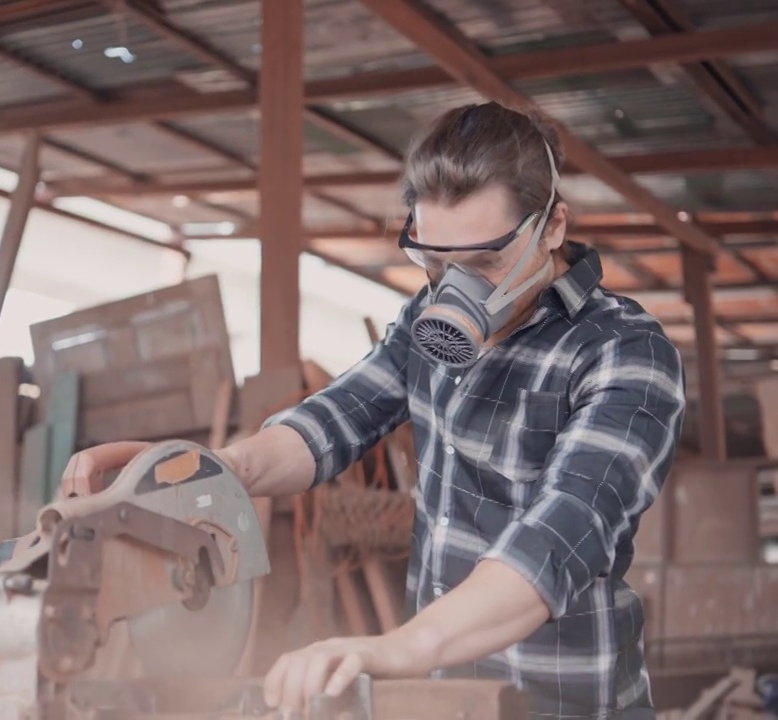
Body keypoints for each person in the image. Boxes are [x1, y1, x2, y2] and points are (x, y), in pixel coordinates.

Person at [61, 102, 686, 719]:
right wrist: (210, 473)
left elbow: (555, 541)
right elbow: (333, 420)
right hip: (439, 698)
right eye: (437, 264)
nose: (455, 291)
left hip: (564, 704)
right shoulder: (426, 319)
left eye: (485, 263)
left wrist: (399, 647)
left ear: (552, 227)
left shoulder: (625, 355)